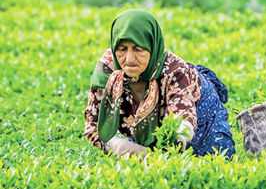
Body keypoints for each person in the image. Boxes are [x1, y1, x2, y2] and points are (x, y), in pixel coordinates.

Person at [84, 9, 235, 159]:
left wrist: (176, 139)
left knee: (213, 157)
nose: (129, 59)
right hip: (153, 122)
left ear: (152, 46)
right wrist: (116, 145)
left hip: (200, 108)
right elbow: (92, 126)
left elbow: (183, 118)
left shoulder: (176, 72)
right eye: (122, 49)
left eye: (139, 49)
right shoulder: (107, 70)